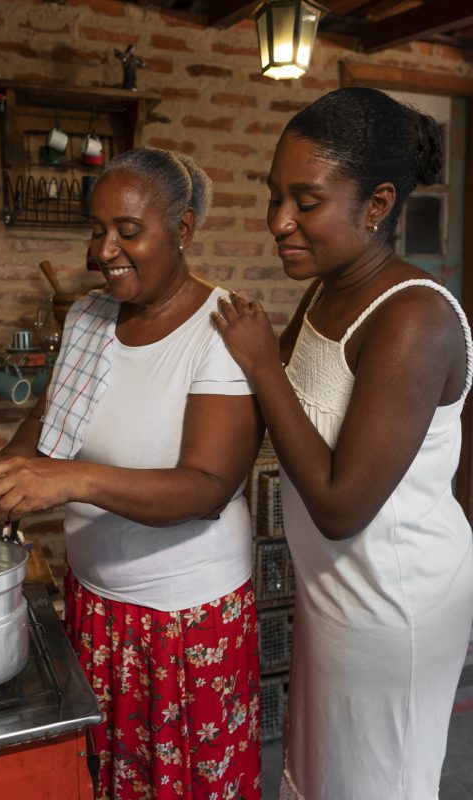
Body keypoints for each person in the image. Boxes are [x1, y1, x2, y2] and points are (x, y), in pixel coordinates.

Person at [0, 147, 264, 799]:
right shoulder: (88, 317)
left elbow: (208, 488)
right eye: (98, 230)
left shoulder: (219, 330)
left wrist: (72, 479)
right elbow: (51, 417)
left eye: (129, 230)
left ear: (181, 231)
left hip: (183, 624)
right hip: (99, 605)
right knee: (113, 780)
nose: (105, 250)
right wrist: (11, 466)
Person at [212, 87, 473, 800]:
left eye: (306, 200)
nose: (280, 222)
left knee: (376, 781)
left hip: (395, 599)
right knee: (329, 774)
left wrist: (262, 361)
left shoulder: (414, 318)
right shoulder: (327, 290)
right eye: (275, 197)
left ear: (378, 204)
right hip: (335, 589)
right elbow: (279, 413)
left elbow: (339, 503)